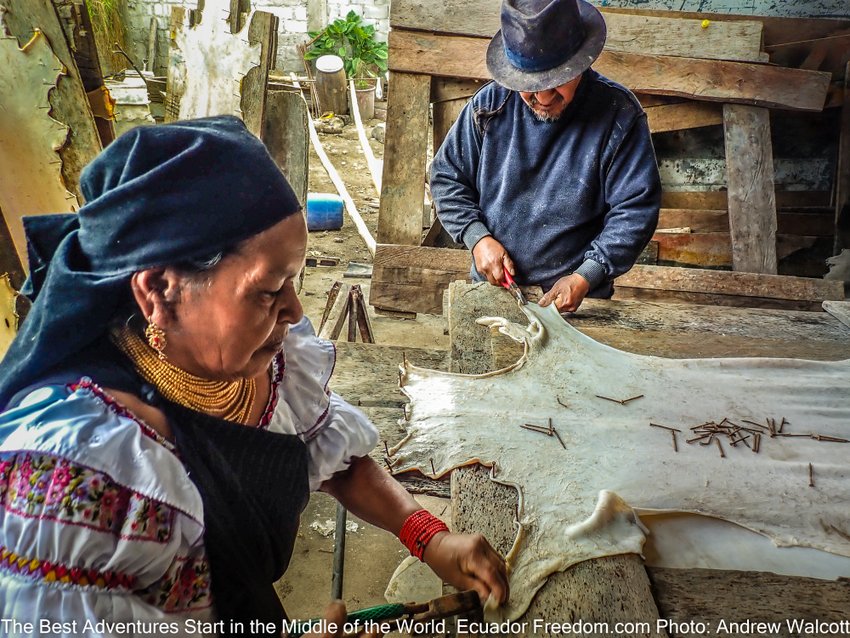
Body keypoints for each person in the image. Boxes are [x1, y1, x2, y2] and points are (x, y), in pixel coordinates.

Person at [0, 116, 507, 637]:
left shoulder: (263, 358)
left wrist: (427, 535)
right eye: (267, 290)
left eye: (294, 280)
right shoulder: (78, 478)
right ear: (158, 291)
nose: (292, 309)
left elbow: (329, 456)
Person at [430, 0, 662, 313]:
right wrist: (478, 239)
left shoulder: (619, 116)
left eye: (555, 82)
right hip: (493, 291)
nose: (543, 98)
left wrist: (585, 276)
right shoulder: (489, 106)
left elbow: (635, 210)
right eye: (530, 85)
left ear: (580, 63)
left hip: (576, 301)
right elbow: (446, 177)